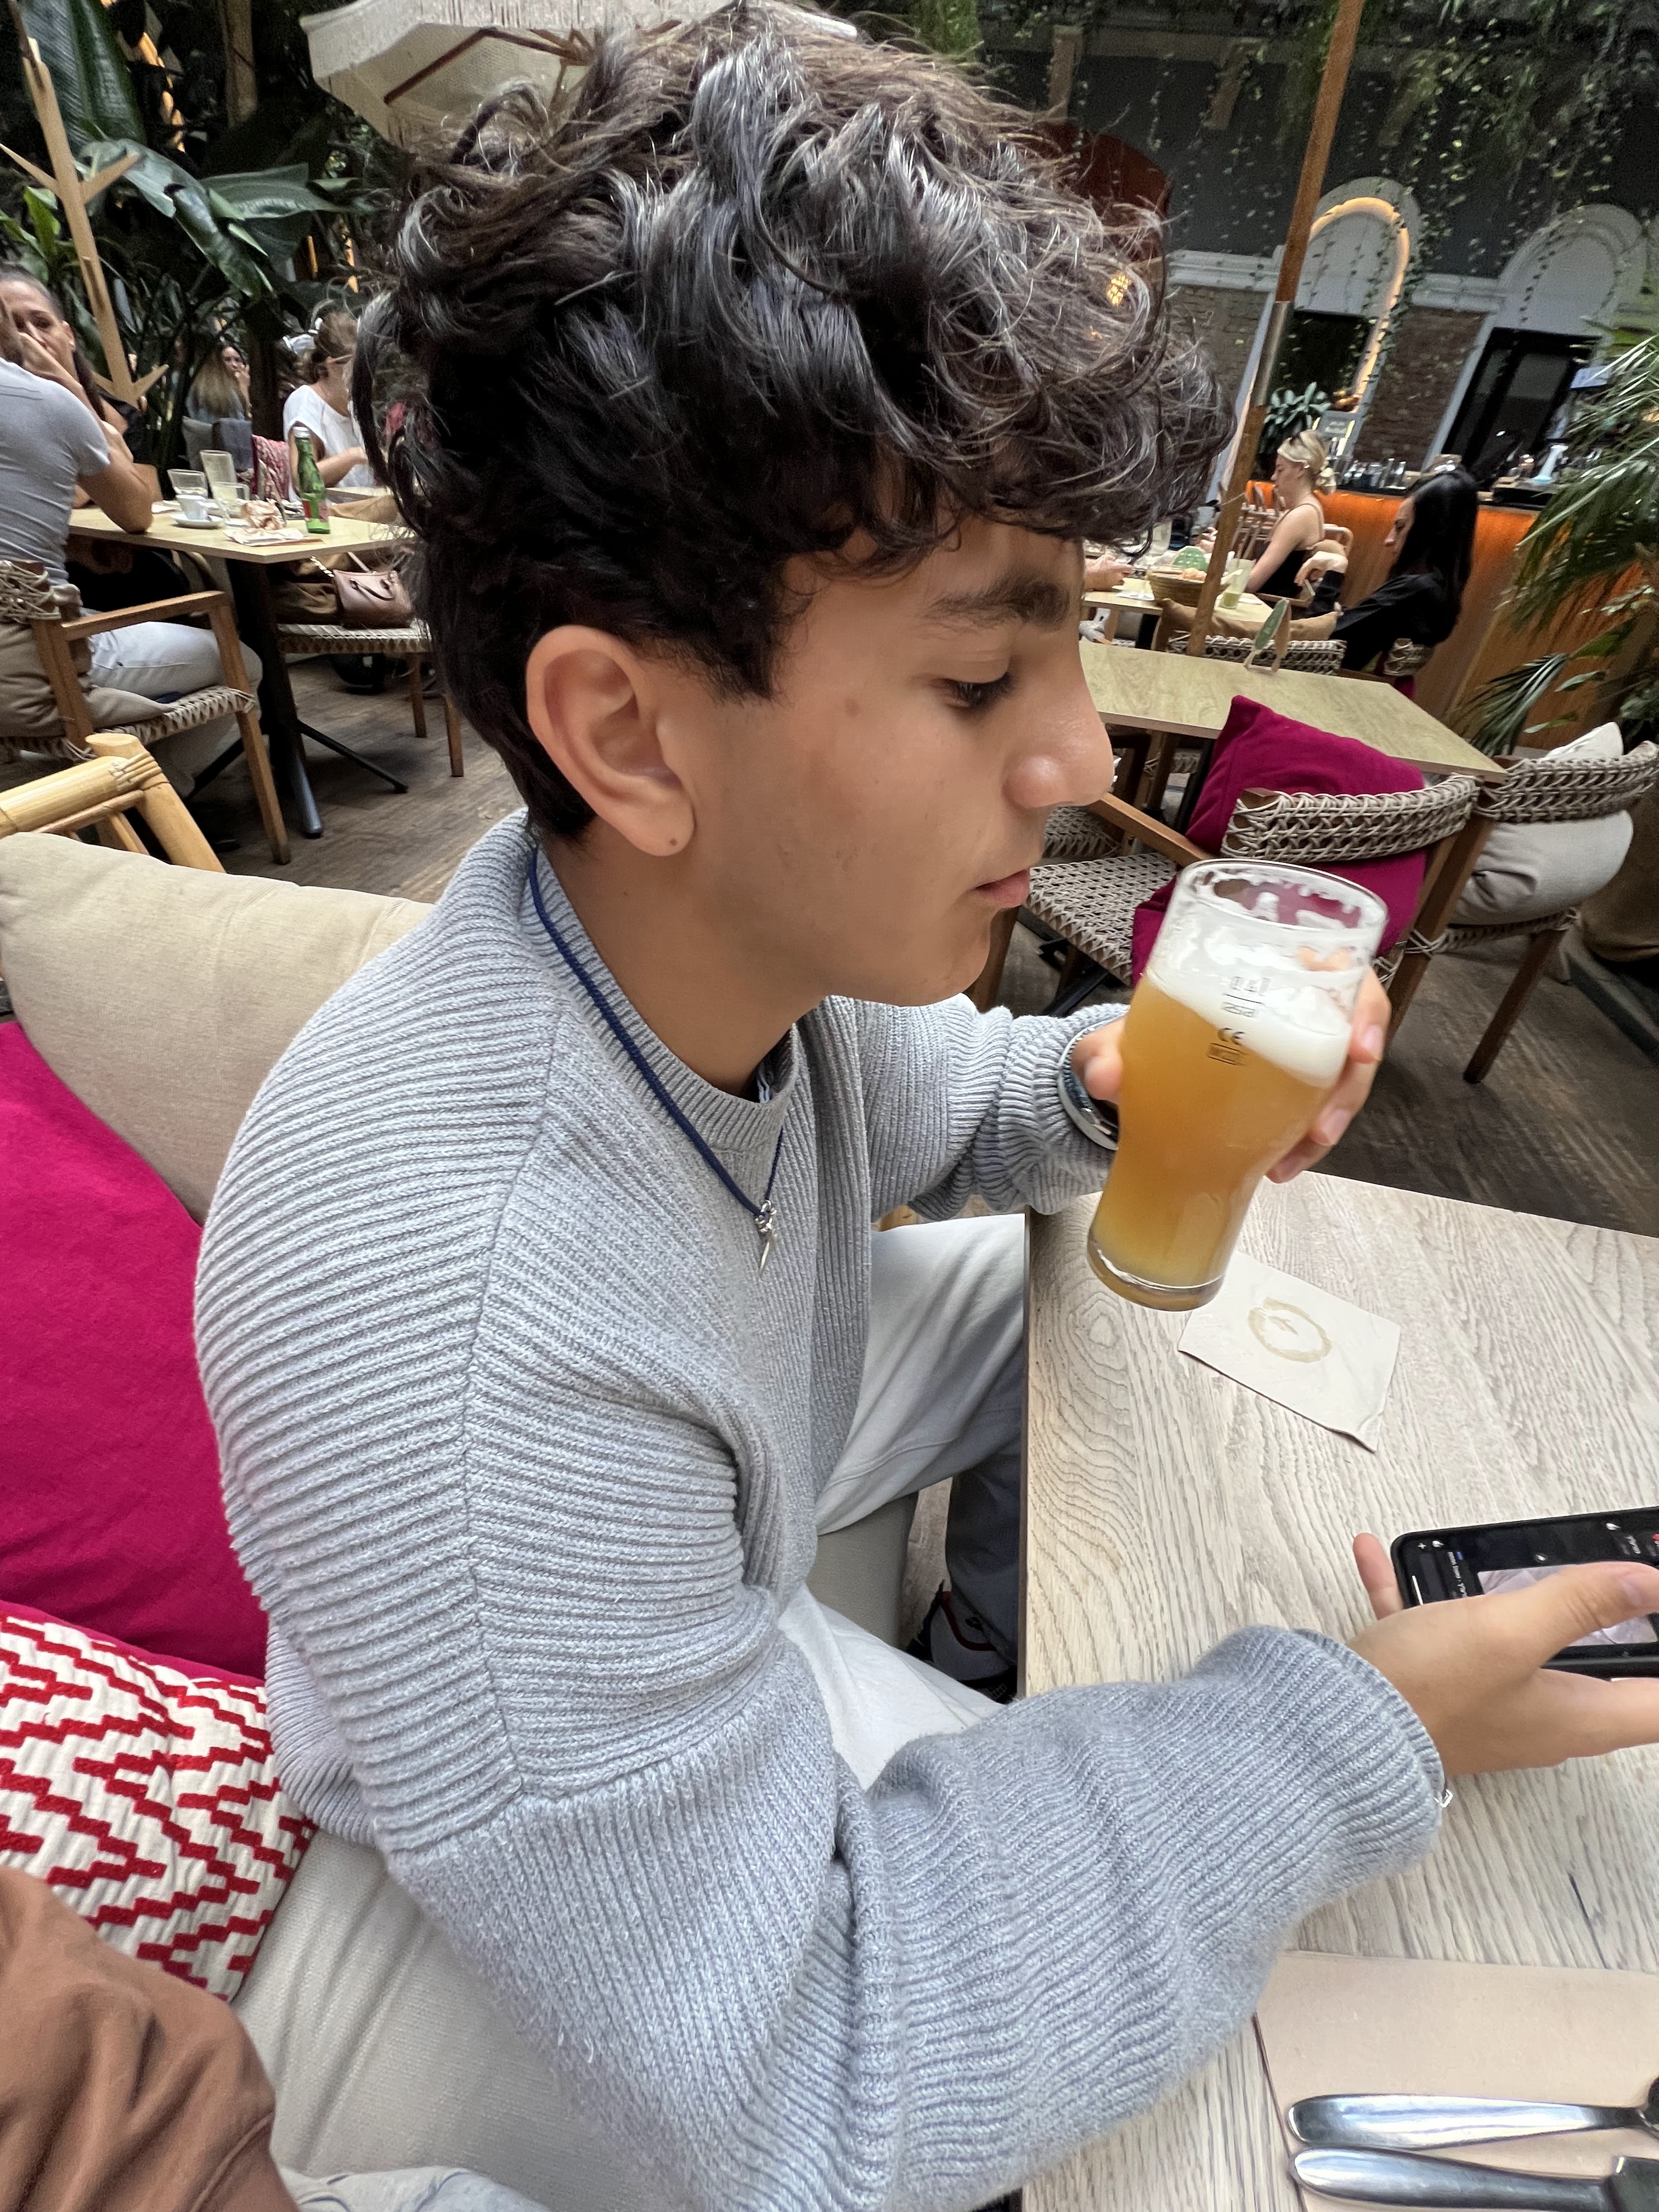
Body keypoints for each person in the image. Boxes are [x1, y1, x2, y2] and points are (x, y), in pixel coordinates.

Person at [194, 12, 1659, 2208]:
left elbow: (933, 1106)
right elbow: (819, 2085)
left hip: (688, 1623)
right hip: (502, 1974)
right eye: (982, 674)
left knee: (1088, 1325)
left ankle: (1042, 1641)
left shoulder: (694, 956)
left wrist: (1099, 1083)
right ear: (632, 735)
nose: (1071, 758)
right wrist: (1361, 1726)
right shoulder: (474, 1337)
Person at [0, 295, 261, 792]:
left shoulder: (102, 413)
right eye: (17, 324)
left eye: (41, 322)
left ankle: (83, 788)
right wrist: (63, 383)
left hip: (50, 620)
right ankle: (157, 801)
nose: (32, 337)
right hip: (38, 654)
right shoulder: (47, 401)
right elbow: (138, 511)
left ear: (68, 333)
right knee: (244, 661)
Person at [1295, 466, 1480, 672]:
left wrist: (1334, 573)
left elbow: (1313, 648)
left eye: (1400, 527)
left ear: (1430, 533)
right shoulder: (1436, 591)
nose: (1389, 540)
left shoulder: (1415, 591)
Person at [282, 309, 374, 490]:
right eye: (358, 368)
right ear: (332, 366)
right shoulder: (305, 401)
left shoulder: (353, 406)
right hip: (320, 508)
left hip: (360, 507)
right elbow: (302, 481)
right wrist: (354, 456)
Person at [1245, 425, 1330, 599]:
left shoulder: (1301, 516)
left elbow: (1252, 584)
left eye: (1280, 469)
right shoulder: (1304, 509)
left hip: (1267, 607)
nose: (1274, 477)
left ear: (1300, 469)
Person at [190, 337, 251, 423]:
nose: (234, 365)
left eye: (237, 360)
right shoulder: (213, 392)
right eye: (227, 360)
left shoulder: (244, 390)